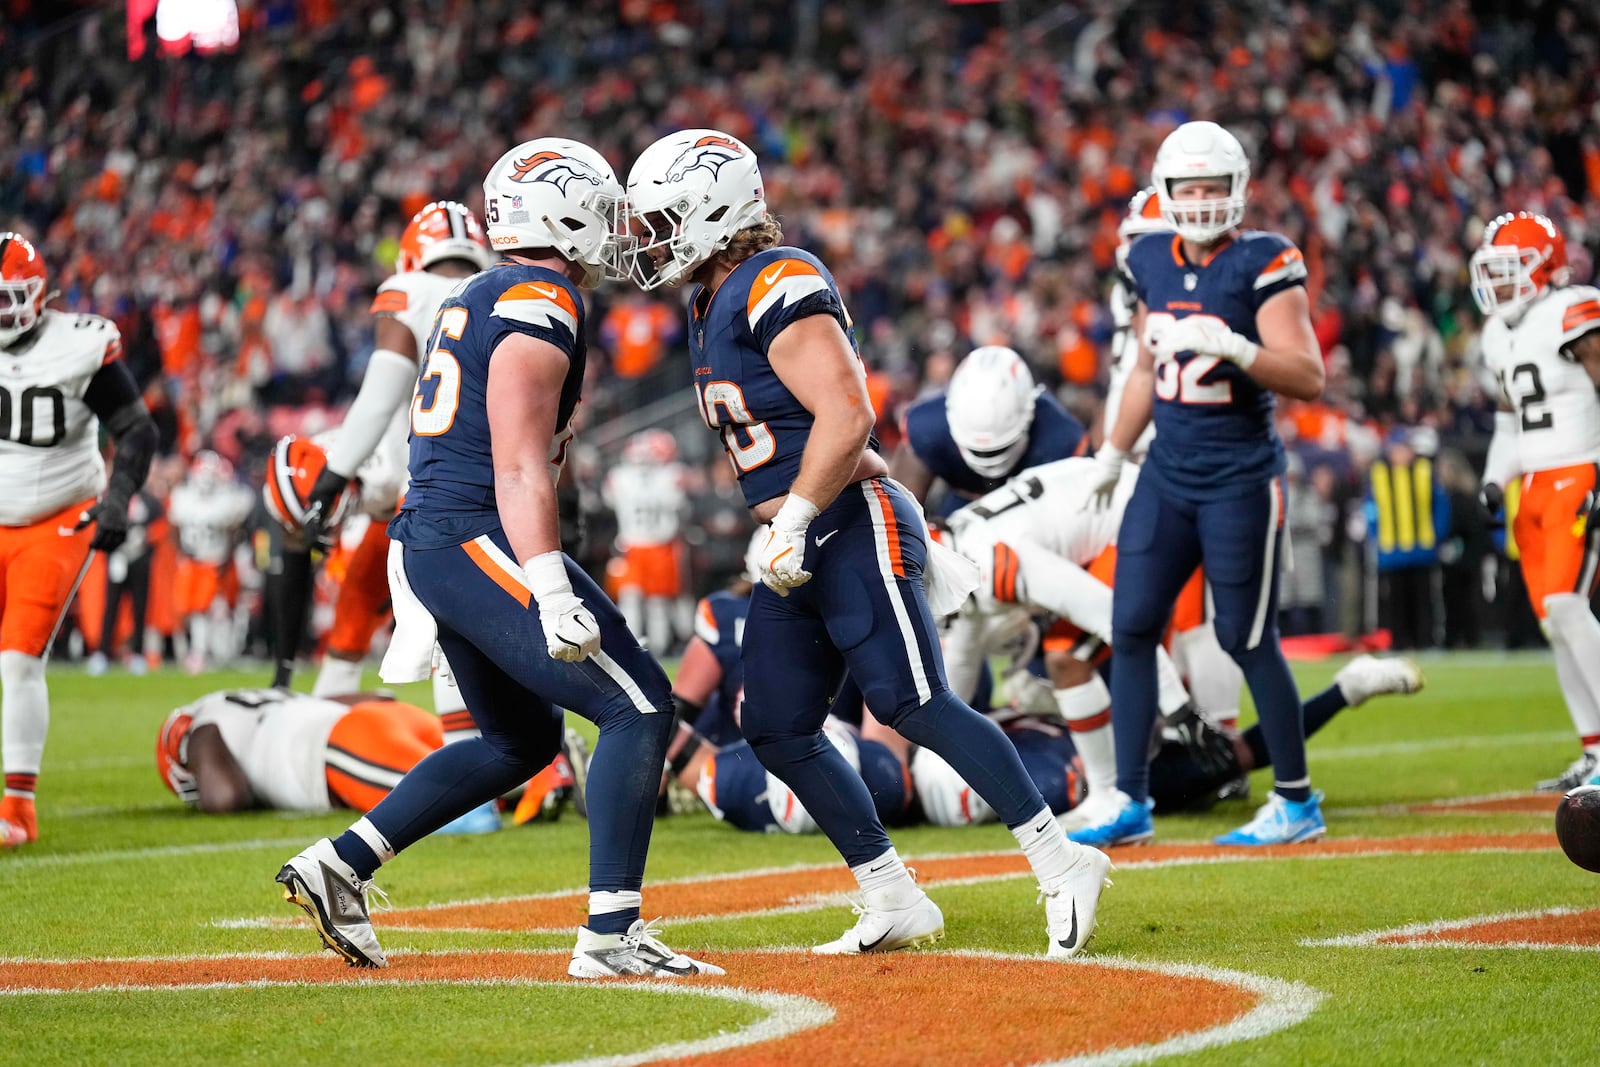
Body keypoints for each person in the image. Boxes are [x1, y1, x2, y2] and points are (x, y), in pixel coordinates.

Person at [621, 128, 1111, 958]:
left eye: (669, 218)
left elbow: (849, 414)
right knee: (774, 722)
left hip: (841, 523)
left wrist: (807, 514)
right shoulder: (710, 301)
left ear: (714, 210)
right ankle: (891, 892)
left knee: (913, 701)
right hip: (803, 533)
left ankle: (1063, 860)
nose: (657, 239)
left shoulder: (777, 279)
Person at [274, 139, 720, 979]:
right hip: (476, 531)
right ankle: (611, 933)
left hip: (446, 536)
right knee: (640, 705)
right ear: (559, 212)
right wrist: (551, 587)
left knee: (519, 740)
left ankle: (339, 865)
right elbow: (518, 463)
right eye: (602, 206)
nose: (618, 226)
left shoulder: (485, 291)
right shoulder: (538, 299)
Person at [1073, 122, 1329, 848]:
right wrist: (1113, 452)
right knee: (1128, 627)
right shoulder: (1149, 256)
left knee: (1246, 639)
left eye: (1215, 186)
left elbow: (1309, 375)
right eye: (1189, 187)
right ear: (1166, 192)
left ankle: (1296, 799)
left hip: (1239, 477)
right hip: (1168, 473)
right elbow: (1147, 370)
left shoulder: (1264, 260)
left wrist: (1240, 348)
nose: (1203, 199)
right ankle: (1129, 799)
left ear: (1239, 189)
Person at [0, 233, 158, 847]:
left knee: (18, 658)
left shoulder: (78, 346)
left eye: (9, 298)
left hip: (57, 515)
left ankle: (17, 809)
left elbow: (136, 430)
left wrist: (118, 499)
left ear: (40, 297)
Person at [1471, 211, 1600, 791]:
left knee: (1570, 609)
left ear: (1543, 268)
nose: (1498, 283)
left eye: (1509, 269)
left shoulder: (1573, 309)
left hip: (1580, 469)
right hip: (1535, 487)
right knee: (1556, 620)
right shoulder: (1497, 335)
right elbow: (1508, 420)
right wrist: (1496, 480)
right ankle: (1593, 751)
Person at [156, 687, 586, 821]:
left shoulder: (200, 727)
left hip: (339, 746)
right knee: (485, 763)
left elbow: (225, 797)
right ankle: (576, 773)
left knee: (448, 809)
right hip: (381, 719)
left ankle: (551, 768)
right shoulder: (251, 703)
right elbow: (374, 694)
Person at [603, 429, 692, 654]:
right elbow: (679, 505)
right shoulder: (670, 476)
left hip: (634, 545)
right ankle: (654, 648)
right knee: (651, 601)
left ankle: (633, 646)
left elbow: (609, 498)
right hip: (649, 545)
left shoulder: (618, 477)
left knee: (639, 599)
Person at [168, 451, 255, 673]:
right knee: (188, 609)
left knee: (218, 608)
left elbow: (234, 530)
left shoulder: (227, 499)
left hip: (215, 561)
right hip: (193, 562)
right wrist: (182, 552)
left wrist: (226, 557)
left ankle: (212, 652)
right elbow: (175, 528)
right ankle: (197, 651)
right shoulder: (183, 497)